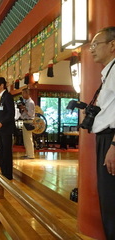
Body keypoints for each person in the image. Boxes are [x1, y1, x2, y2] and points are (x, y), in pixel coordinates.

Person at [89, 26, 115, 239]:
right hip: (106, 138)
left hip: (112, 139)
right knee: (107, 199)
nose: (92, 50)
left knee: (111, 199)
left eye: (96, 44)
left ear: (112, 45)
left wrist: (114, 146)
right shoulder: (109, 71)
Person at [0, 77, 15, 180]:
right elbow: (1, 113)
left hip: (6, 128)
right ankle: (3, 171)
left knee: (6, 151)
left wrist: (2, 123)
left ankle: (8, 174)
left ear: (2, 85)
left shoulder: (8, 96)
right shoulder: (1, 97)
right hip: (1, 128)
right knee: (1, 150)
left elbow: (11, 113)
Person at [20, 88, 35, 159]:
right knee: (26, 139)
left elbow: (30, 114)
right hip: (25, 121)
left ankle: (31, 155)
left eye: (23, 93)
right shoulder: (26, 102)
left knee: (28, 139)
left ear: (27, 93)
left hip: (28, 121)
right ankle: (27, 153)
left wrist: (24, 108)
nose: (22, 95)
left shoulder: (30, 102)